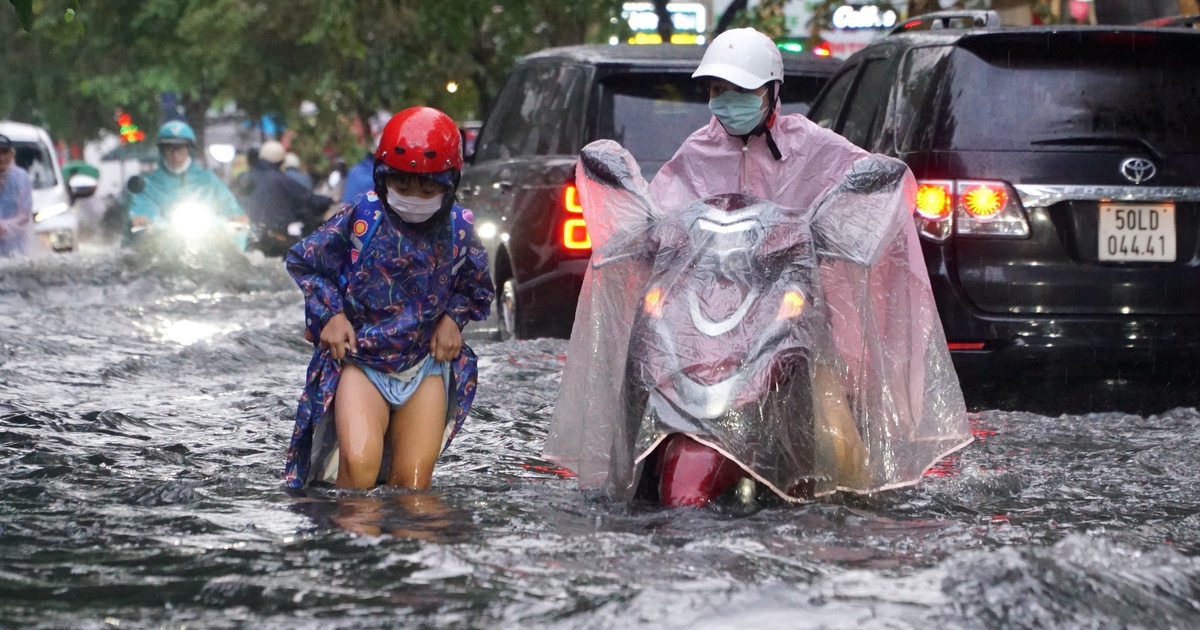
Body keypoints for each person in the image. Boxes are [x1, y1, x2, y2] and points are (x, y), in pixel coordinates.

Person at [543, 28, 970, 504]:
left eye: (740, 90)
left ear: (771, 91)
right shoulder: (695, 152)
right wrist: (647, 231)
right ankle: (622, 477)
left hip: (791, 316)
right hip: (703, 322)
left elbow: (866, 192)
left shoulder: (815, 147)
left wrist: (829, 230)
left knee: (835, 427)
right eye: (717, 90)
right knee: (642, 368)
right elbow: (663, 216)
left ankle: (856, 504)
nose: (726, 100)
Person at [283, 106, 495, 491]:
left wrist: (453, 319)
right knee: (358, 468)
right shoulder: (362, 214)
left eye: (428, 189)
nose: (414, 197)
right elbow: (306, 262)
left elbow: (476, 286)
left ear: (450, 183)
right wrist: (331, 315)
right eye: (402, 185)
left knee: (413, 487)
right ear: (383, 178)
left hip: (425, 365)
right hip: (361, 361)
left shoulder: (460, 228)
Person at [127, 121, 247, 236]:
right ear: (161, 151)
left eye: (180, 148)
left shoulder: (207, 179)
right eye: (169, 148)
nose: (175, 155)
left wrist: (236, 216)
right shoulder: (149, 184)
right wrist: (142, 219)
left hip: (208, 239)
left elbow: (227, 202)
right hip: (162, 243)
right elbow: (142, 208)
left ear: (189, 150)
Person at [239, 140, 332, 257]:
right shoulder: (282, 181)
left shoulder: (242, 177)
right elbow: (309, 200)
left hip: (245, 236)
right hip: (274, 239)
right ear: (281, 161)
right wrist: (329, 200)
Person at [0, 134, 34, 257]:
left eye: (4, 152)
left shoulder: (21, 178)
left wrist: (5, 227)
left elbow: (24, 215)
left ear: (11, 154)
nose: (1, 157)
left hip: (16, 249)